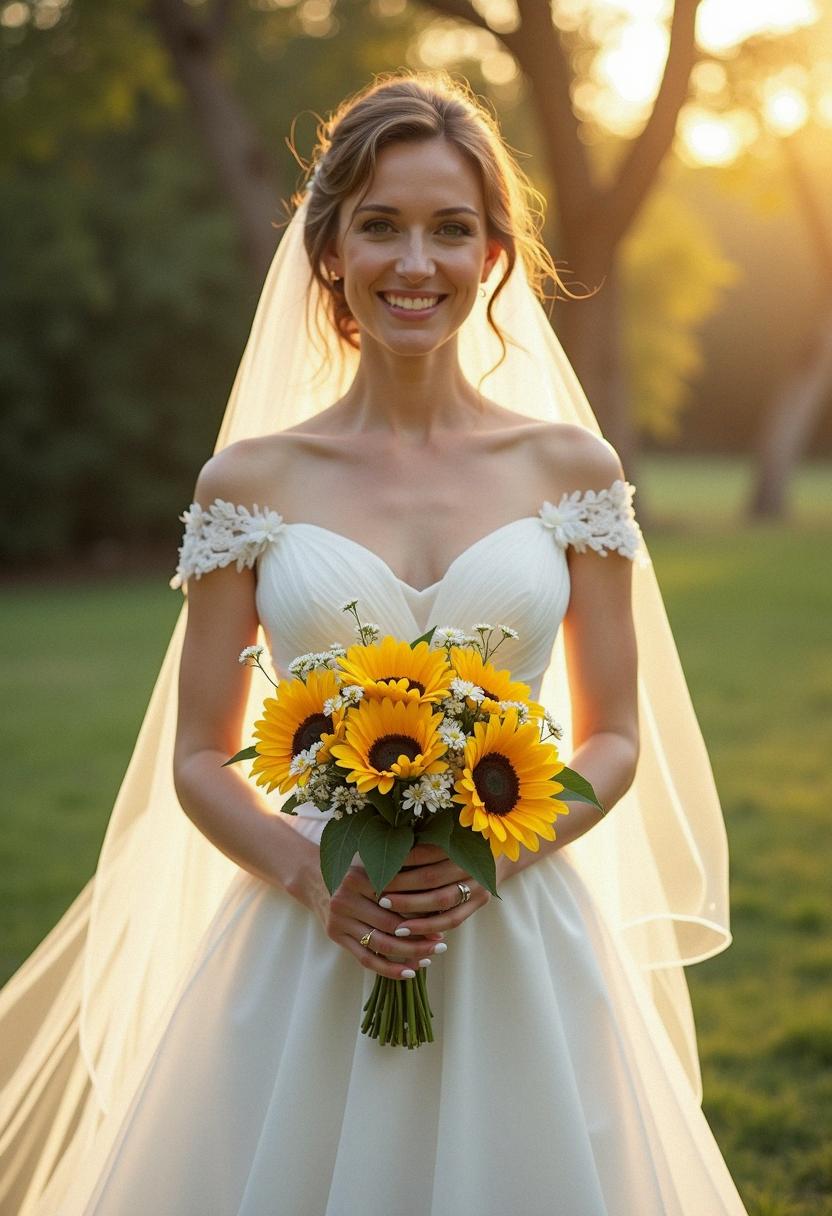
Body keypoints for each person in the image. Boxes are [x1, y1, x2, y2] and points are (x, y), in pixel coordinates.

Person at [0, 71, 750, 1215]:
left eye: (451, 229)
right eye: (381, 226)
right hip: (310, 931)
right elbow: (201, 757)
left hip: (516, 928)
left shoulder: (571, 471)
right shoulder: (250, 482)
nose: (417, 263)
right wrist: (314, 877)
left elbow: (613, 737)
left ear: (493, 253)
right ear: (327, 249)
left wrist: (493, 853)